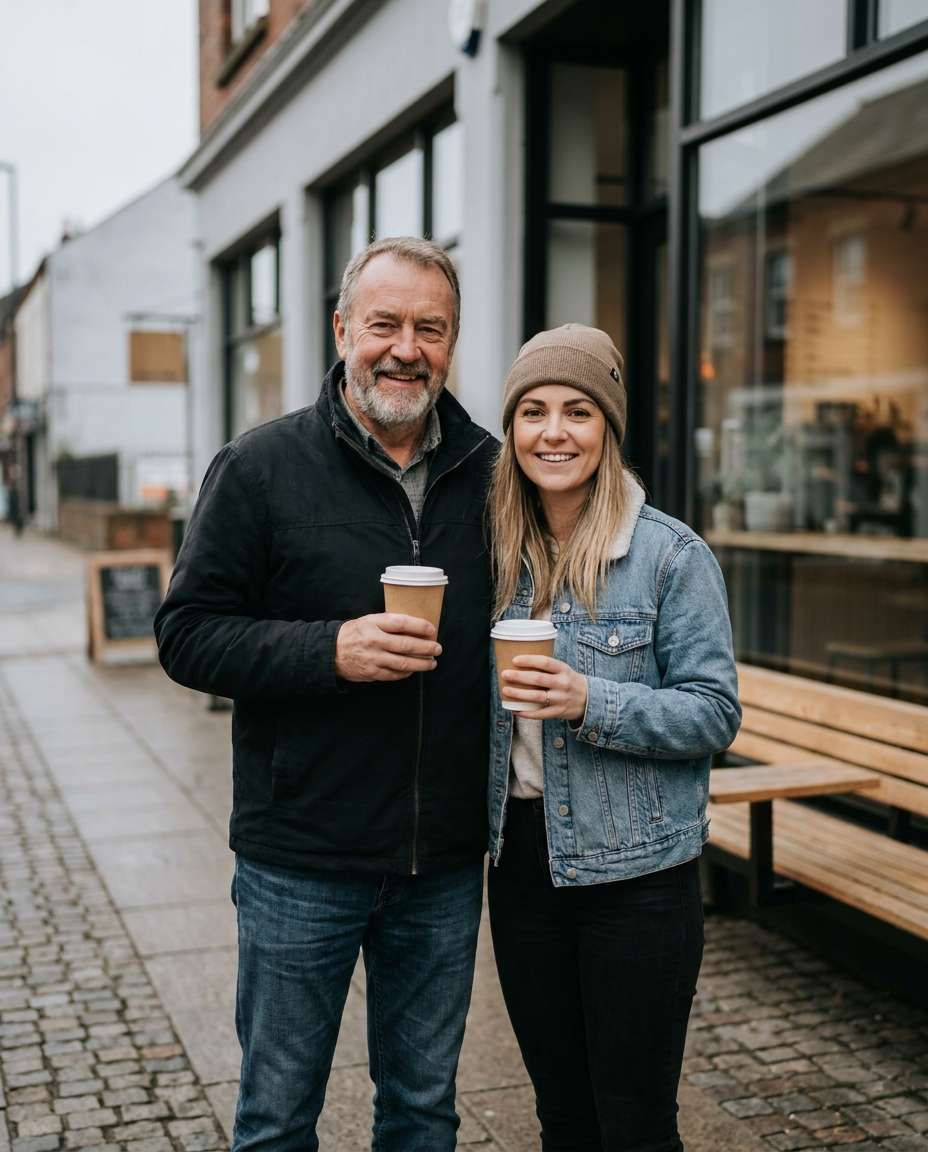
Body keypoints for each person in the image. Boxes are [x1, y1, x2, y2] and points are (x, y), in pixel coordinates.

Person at [154, 237, 497, 1152]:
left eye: (431, 328)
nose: (406, 347)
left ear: (452, 341)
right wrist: (329, 650)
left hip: (443, 860)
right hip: (299, 854)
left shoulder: (492, 476)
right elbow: (185, 634)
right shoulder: (260, 467)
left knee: (423, 1110)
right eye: (384, 323)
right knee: (277, 1117)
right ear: (343, 329)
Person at [486, 324, 741, 1152]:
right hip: (520, 867)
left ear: (608, 429)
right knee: (562, 1116)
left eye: (577, 411)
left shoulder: (669, 556)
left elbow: (713, 712)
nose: (553, 432)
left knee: (633, 1124)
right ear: (512, 428)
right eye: (532, 411)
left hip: (638, 877)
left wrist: (589, 698)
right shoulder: (495, 553)